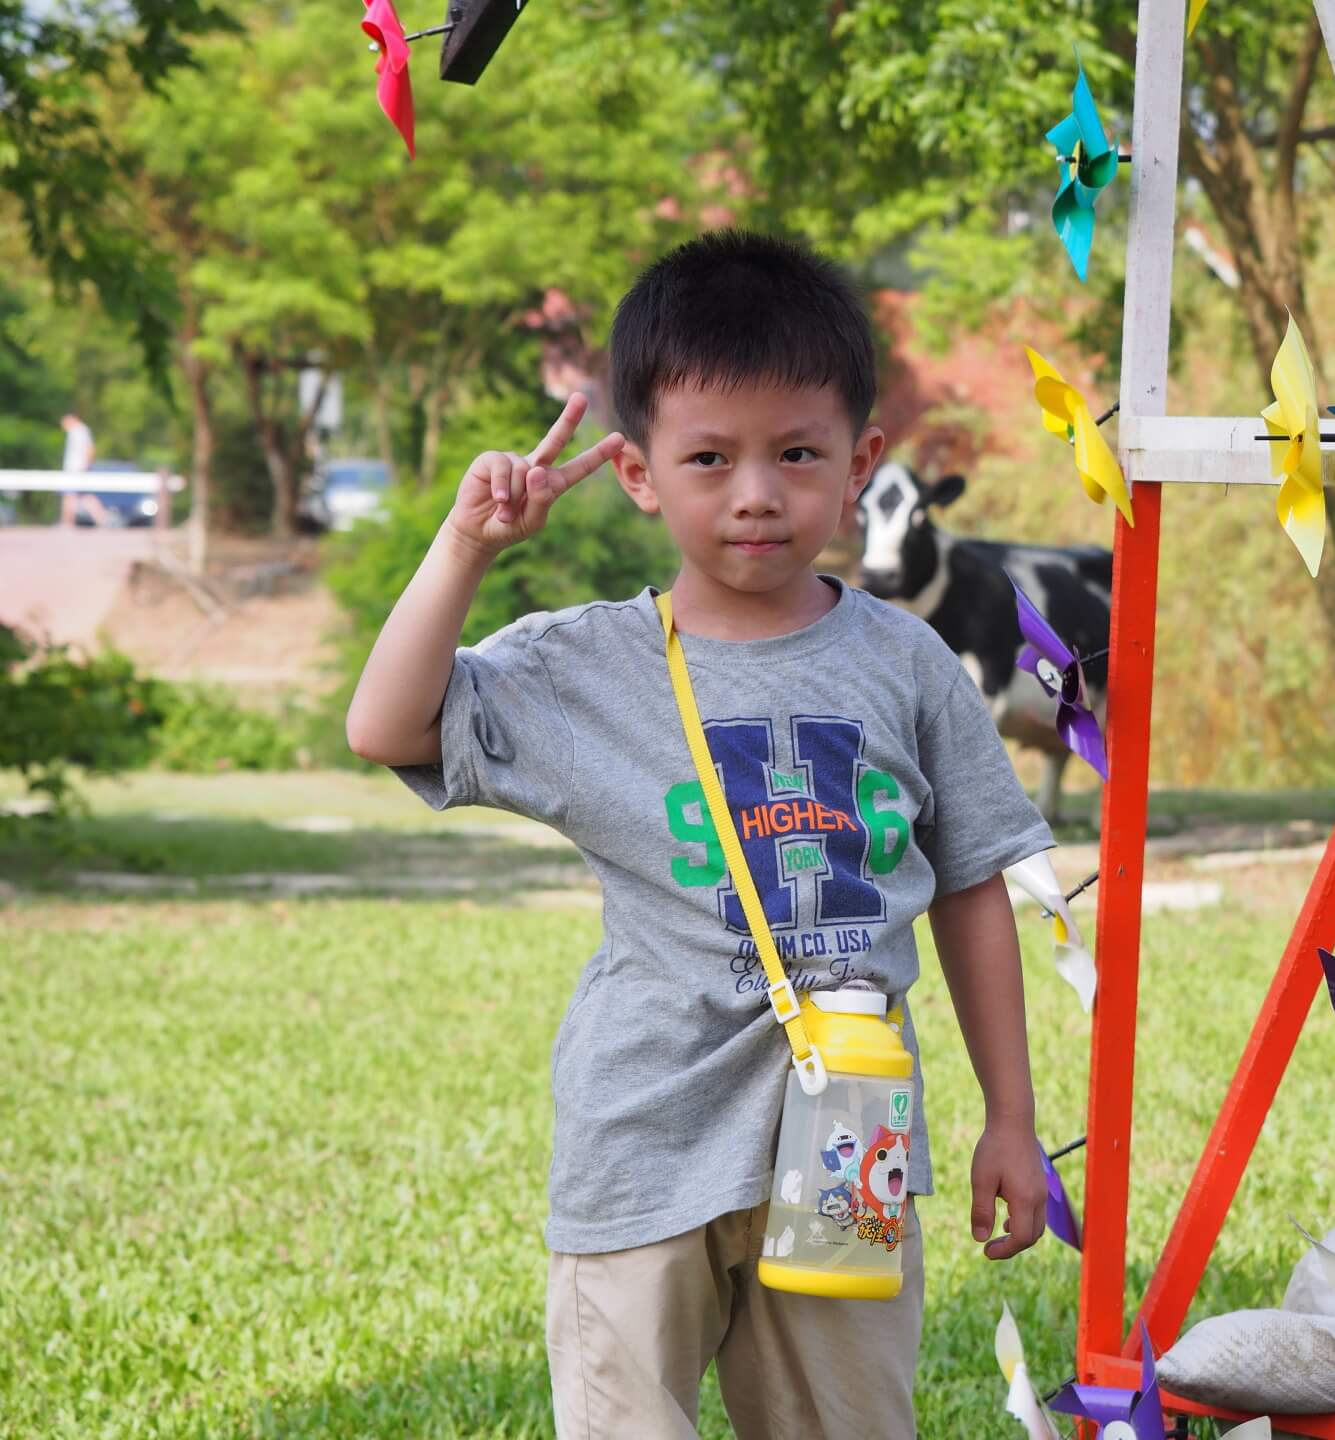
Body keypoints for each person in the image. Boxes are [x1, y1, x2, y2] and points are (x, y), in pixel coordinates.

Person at [344, 231, 1054, 1439]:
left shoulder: (910, 663)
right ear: (638, 471)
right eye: (710, 458)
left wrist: (1013, 1117)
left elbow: (974, 886)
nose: (757, 494)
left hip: (854, 1145)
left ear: (860, 460)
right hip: (645, 1145)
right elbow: (385, 723)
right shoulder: (586, 663)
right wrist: (466, 547)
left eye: (796, 454)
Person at [58, 412, 101, 526]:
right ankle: (103, 519)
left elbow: (90, 448)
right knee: (84, 496)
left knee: (69, 495)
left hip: (76, 470)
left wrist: (85, 466)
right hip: (77, 469)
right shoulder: (77, 431)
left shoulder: (79, 431)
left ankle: (66, 522)